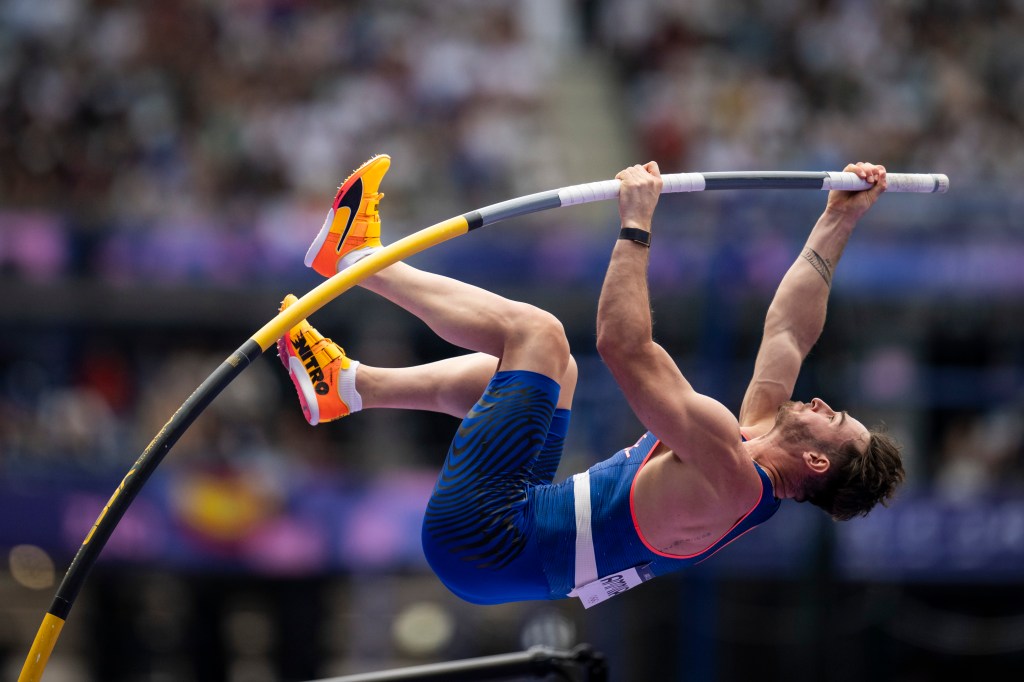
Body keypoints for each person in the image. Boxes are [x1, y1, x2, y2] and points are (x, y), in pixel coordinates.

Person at [277, 154, 905, 607]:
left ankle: (354, 259)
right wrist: (839, 219)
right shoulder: (755, 442)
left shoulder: (731, 473)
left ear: (817, 462)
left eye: (834, 418)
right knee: (555, 376)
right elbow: (789, 332)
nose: (822, 402)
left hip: (489, 539)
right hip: (515, 533)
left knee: (541, 337)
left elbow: (623, 346)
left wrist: (636, 223)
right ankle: (347, 386)